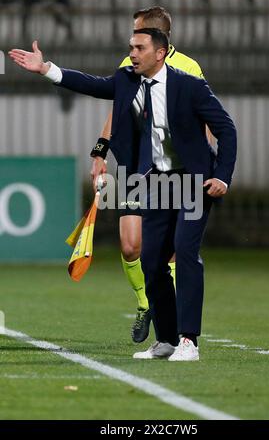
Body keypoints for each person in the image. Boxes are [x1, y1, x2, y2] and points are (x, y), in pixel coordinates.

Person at [9, 29, 236, 361]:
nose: (131, 52)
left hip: (192, 181)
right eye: (131, 46)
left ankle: (190, 341)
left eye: (139, 47)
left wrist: (222, 176)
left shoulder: (189, 83)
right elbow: (92, 84)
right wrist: (47, 69)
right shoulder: (128, 79)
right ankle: (167, 340)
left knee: (185, 252)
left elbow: (224, 127)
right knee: (150, 260)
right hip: (153, 181)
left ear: (160, 53)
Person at [90, 6, 213, 344]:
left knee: (167, 250)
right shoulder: (129, 65)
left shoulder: (189, 68)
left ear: (156, 36)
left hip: (173, 169)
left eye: (137, 35)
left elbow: (203, 115)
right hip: (133, 165)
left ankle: (167, 318)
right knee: (131, 246)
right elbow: (118, 109)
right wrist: (100, 151)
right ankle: (145, 303)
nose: (132, 46)